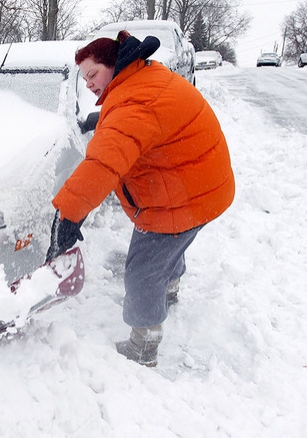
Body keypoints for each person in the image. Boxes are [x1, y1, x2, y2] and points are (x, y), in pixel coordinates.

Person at [46, 30, 235, 367]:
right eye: (84, 77)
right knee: (169, 248)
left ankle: (143, 345)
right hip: (201, 186)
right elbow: (133, 124)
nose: (89, 84)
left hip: (182, 198)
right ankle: (170, 288)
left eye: (93, 75)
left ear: (113, 65)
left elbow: (104, 163)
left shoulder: (134, 102)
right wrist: (101, 119)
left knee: (143, 271)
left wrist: (68, 215)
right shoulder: (143, 77)